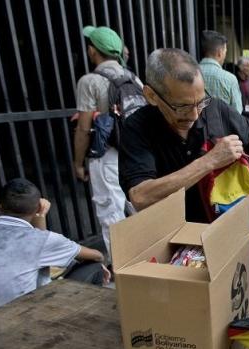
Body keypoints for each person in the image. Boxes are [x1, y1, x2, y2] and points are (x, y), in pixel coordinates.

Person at [118, 48, 249, 308]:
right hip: (175, 248)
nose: (194, 115)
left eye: (200, 102)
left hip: (228, 235)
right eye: (182, 106)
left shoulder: (214, 108)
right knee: (189, 320)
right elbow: (141, 195)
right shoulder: (137, 128)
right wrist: (208, 162)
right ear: (151, 95)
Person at [0, 179, 110, 320]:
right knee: (94, 266)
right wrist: (41, 216)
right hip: (20, 319)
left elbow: (39, 250)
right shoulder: (43, 240)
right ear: (39, 207)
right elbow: (97, 255)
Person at [73, 26, 141, 260]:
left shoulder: (89, 81)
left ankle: (122, 270)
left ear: (93, 51)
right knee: (137, 206)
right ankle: (145, 254)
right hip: (134, 154)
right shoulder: (133, 78)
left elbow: (83, 127)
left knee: (111, 212)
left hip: (107, 154)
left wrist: (78, 162)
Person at [199, 30, 242, 114]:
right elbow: (237, 113)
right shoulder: (229, 79)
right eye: (225, 51)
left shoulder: (190, 74)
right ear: (219, 53)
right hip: (222, 127)